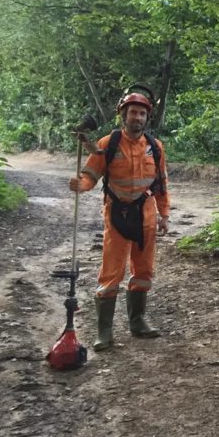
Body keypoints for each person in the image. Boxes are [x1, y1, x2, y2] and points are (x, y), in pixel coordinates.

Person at [68, 87, 170, 351]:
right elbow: (91, 174)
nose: (137, 117)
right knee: (111, 272)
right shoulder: (106, 144)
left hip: (146, 216)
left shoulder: (155, 148)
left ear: (148, 117)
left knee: (144, 270)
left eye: (142, 113)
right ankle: (104, 331)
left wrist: (164, 215)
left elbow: (161, 184)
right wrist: (81, 184)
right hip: (116, 215)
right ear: (123, 115)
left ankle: (138, 322)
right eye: (133, 112)